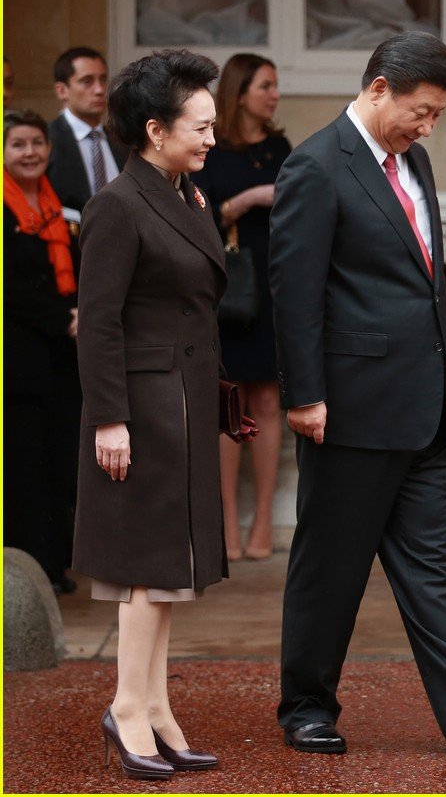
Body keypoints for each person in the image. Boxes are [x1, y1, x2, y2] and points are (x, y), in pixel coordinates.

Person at [269, 31, 446, 754]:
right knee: (330, 568)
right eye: (421, 111)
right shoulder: (314, 165)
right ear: (378, 90)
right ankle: (306, 705)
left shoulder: (414, 162)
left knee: (434, 565)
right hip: (349, 408)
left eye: (436, 115)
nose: (429, 127)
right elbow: (294, 293)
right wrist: (304, 394)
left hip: (420, 408)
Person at [72, 49, 256, 780]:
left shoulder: (184, 196)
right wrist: (108, 418)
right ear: (155, 129)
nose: (213, 138)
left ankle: (153, 705)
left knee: (171, 570)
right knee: (146, 570)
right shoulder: (117, 205)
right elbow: (100, 321)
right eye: (201, 126)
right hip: (143, 408)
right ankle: (127, 705)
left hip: (181, 397)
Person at [193, 54, 290, 562]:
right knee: (229, 405)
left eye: (275, 86)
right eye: (265, 86)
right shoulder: (212, 148)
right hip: (227, 289)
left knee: (270, 402)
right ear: (240, 92)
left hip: (274, 287)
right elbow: (199, 214)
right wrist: (251, 198)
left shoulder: (279, 147)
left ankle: (262, 525)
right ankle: (226, 521)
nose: (274, 95)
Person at [3, 109, 80, 593]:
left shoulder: (66, 205)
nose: (29, 152)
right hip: (17, 358)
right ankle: (24, 575)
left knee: (59, 460)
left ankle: (54, 567)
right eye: (17, 145)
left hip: (65, 358)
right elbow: (11, 288)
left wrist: (81, 313)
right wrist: (64, 319)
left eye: (36, 143)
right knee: (22, 467)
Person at [46, 47, 126, 214]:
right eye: (87, 81)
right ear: (62, 90)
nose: (99, 90)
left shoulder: (123, 140)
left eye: (103, 80)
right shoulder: (47, 141)